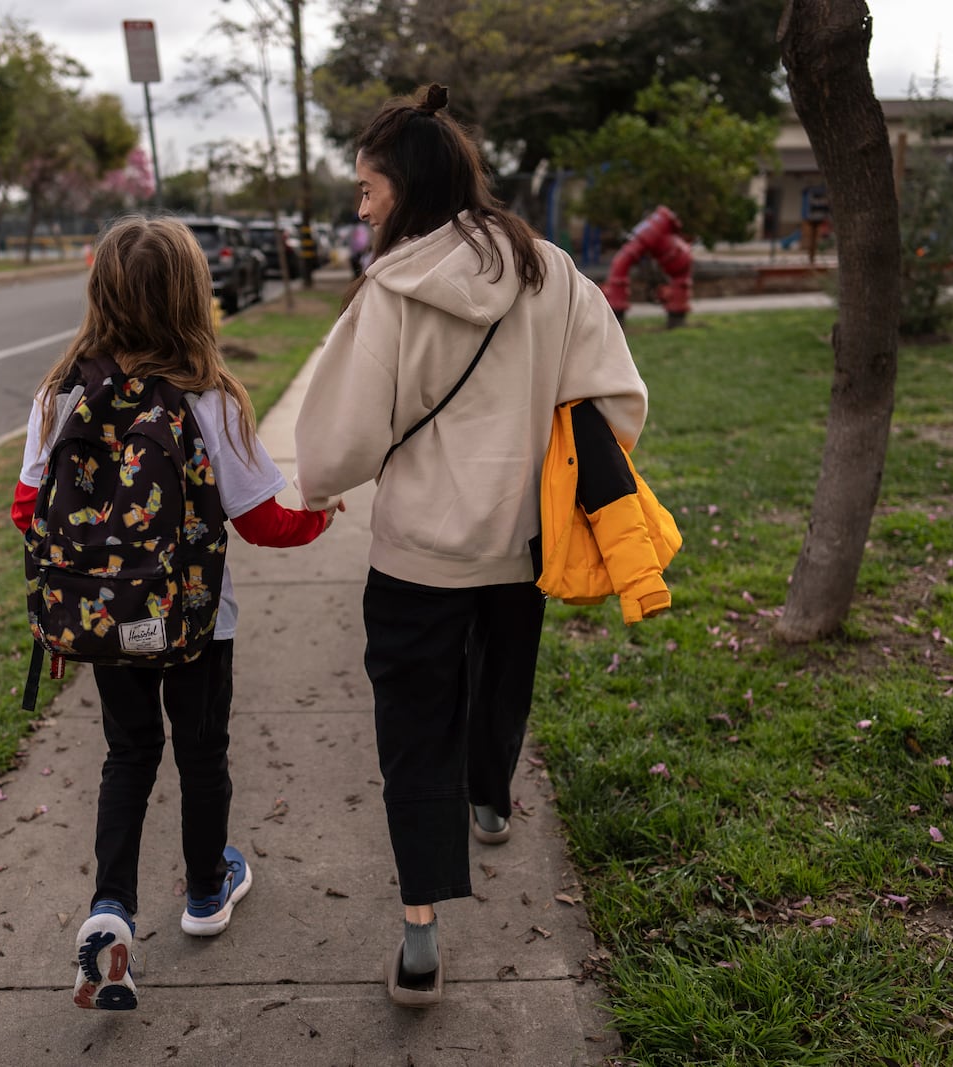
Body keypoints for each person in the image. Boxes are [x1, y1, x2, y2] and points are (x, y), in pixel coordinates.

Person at [293, 84, 649, 1006]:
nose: (361, 207)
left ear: (404, 188)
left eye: (368, 189)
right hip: (524, 547)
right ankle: (489, 799)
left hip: (415, 556)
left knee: (414, 735)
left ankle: (419, 934)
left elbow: (337, 438)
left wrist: (324, 486)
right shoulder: (554, 273)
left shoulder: (391, 290)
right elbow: (616, 401)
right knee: (502, 681)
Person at [10, 216, 343, 1012]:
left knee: (128, 755)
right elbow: (265, 522)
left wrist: (101, 567)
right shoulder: (210, 400)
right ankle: (204, 891)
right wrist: (324, 513)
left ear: (100, 293)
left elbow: (28, 509)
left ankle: (111, 906)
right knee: (202, 752)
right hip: (196, 624)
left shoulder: (59, 395)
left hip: (102, 625)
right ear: (195, 296)